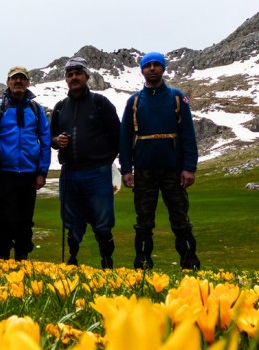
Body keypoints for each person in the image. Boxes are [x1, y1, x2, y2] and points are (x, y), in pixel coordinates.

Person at [119, 52, 200, 270]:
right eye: (148, 66)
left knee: (180, 219)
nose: (152, 69)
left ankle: (189, 263)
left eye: (156, 65)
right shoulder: (134, 101)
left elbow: (188, 135)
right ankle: (142, 264)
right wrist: (126, 169)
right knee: (144, 221)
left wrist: (189, 168)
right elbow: (125, 138)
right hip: (144, 170)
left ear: (163, 69)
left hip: (173, 170)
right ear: (142, 70)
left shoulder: (177, 97)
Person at [50, 57, 120, 269]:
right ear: (66, 79)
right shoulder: (60, 107)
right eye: (70, 75)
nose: (74, 78)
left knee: (103, 222)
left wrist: (106, 162)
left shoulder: (101, 103)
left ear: (87, 76)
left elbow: (117, 135)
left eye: (78, 73)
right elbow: (50, 139)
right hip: (69, 173)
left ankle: (107, 263)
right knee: (71, 221)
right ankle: (72, 262)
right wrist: (56, 141)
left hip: (97, 172)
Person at [0, 66, 51, 260]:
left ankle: (22, 262)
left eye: (22, 79)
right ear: (8, 82)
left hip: (28, 174)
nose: (18, 82)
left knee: (25, 221)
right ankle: (2, 260)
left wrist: (42, 172)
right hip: (5, 174)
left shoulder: (36, 109)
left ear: (28, 83)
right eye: (14, 79)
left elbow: (45, 140)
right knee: (5, 219)